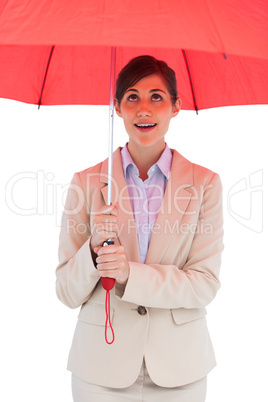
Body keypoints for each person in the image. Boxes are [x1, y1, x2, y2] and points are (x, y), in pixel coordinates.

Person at [56, 55, 224, 402]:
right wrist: (92, 249)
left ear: (176, 106)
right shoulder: (87, 183)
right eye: (131, 97)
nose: (143, 109)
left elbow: (204, 285)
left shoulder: (205, 184)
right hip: (100, 370)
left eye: (156, 97)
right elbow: (65, 291)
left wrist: (129, 274)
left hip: (180, 371)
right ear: (116, 107)